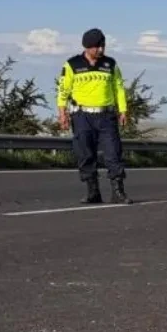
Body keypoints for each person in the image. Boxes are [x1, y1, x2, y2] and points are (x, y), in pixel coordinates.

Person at [57, 28, 132, 204]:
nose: (101, 50)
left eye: (102, 46)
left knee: (113, 152)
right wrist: (62, 113)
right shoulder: (72, 65)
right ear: (87, 47)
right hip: (82, 115)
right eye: (97, 47)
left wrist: (123, 111)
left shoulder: (110, 64)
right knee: (85, 153)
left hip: (106, 115)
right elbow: (63, 91)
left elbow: (119, 89)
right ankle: (93, 191)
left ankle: (118, 192)